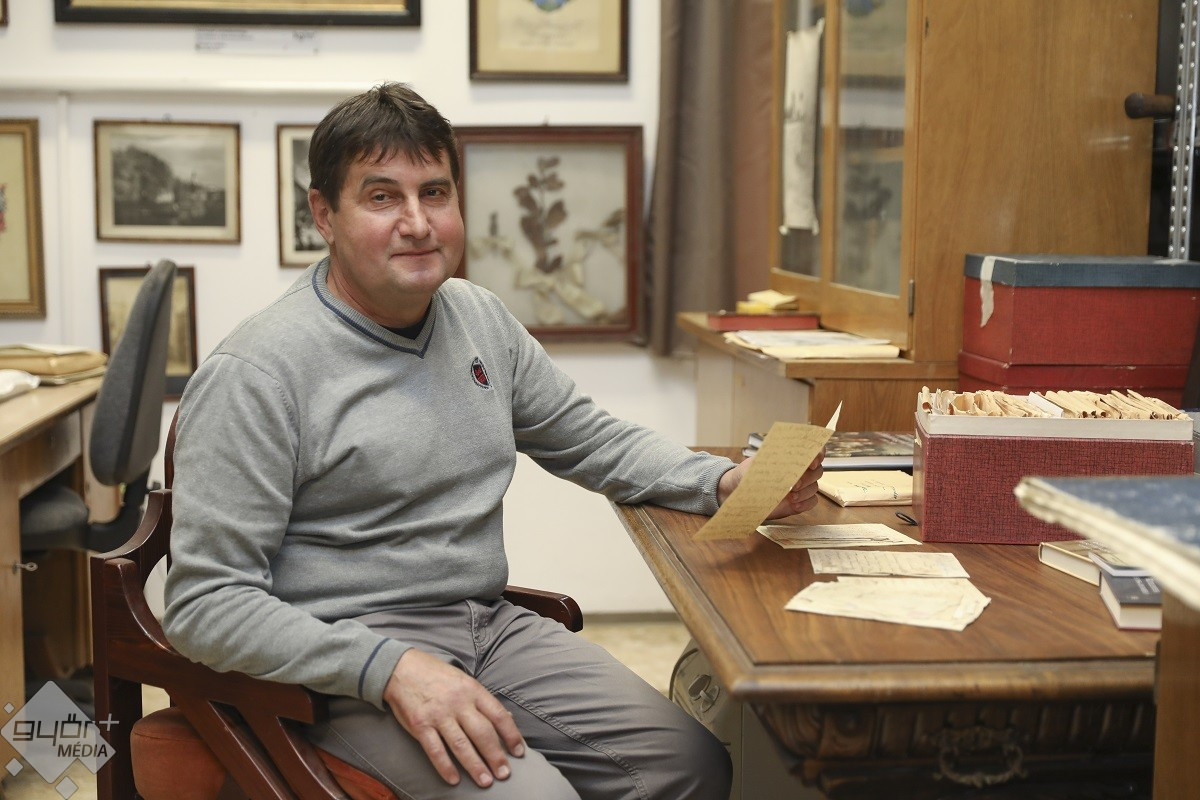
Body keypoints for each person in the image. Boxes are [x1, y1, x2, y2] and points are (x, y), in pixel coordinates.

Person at [162, 82, 823, 800]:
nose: (418, 223)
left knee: (688, 763)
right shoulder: (257, 372)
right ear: (325, 214)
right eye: (382, 198)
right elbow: (205, 604)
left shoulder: (477, 317)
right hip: (340, 665)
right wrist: (389, 667)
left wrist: (719, 481)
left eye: (435, 193)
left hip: (487, 625)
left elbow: (589, 437)